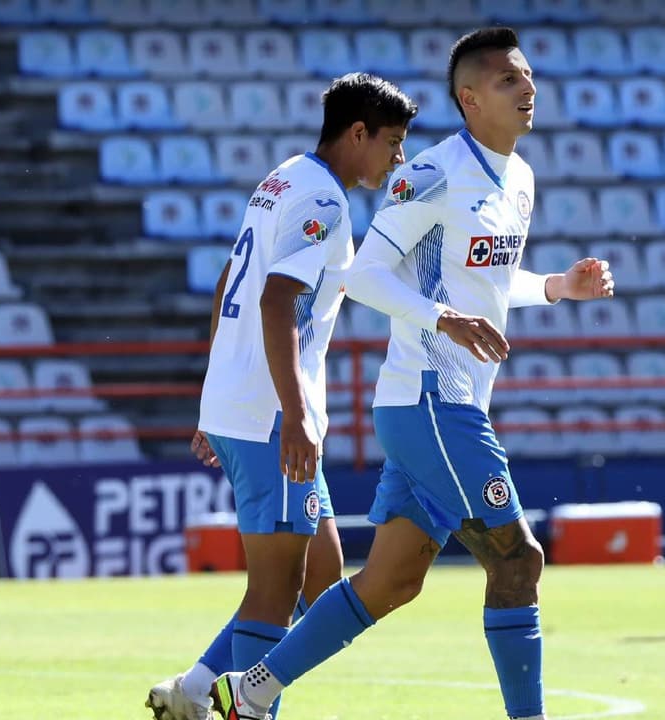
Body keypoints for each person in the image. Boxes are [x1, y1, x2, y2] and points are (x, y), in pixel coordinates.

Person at [209, 27, 615, 720]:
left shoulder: (518, 178)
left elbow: (481, 278)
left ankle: (247, 692)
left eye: (527, 78)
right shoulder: (430, 172)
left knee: (392, 581)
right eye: (508, 81)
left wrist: (553, 288)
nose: (528, 90)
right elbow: (365, 274)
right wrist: (442, 320)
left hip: (445, 404)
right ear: (469, 98)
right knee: (518, 561)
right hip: (431, 399)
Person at [145, 73, 416, 720]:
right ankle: (249, 709)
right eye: (393, 143)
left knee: (318, 576)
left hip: (246, 405)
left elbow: (227, 280)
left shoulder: (282, 179)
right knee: (278, 587)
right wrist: (294, 416)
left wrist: (217, 394)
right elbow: (272, 301)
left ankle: (192, 691)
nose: (397, 159)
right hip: (271, 414)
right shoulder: (323, 202)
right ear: (359, 134)